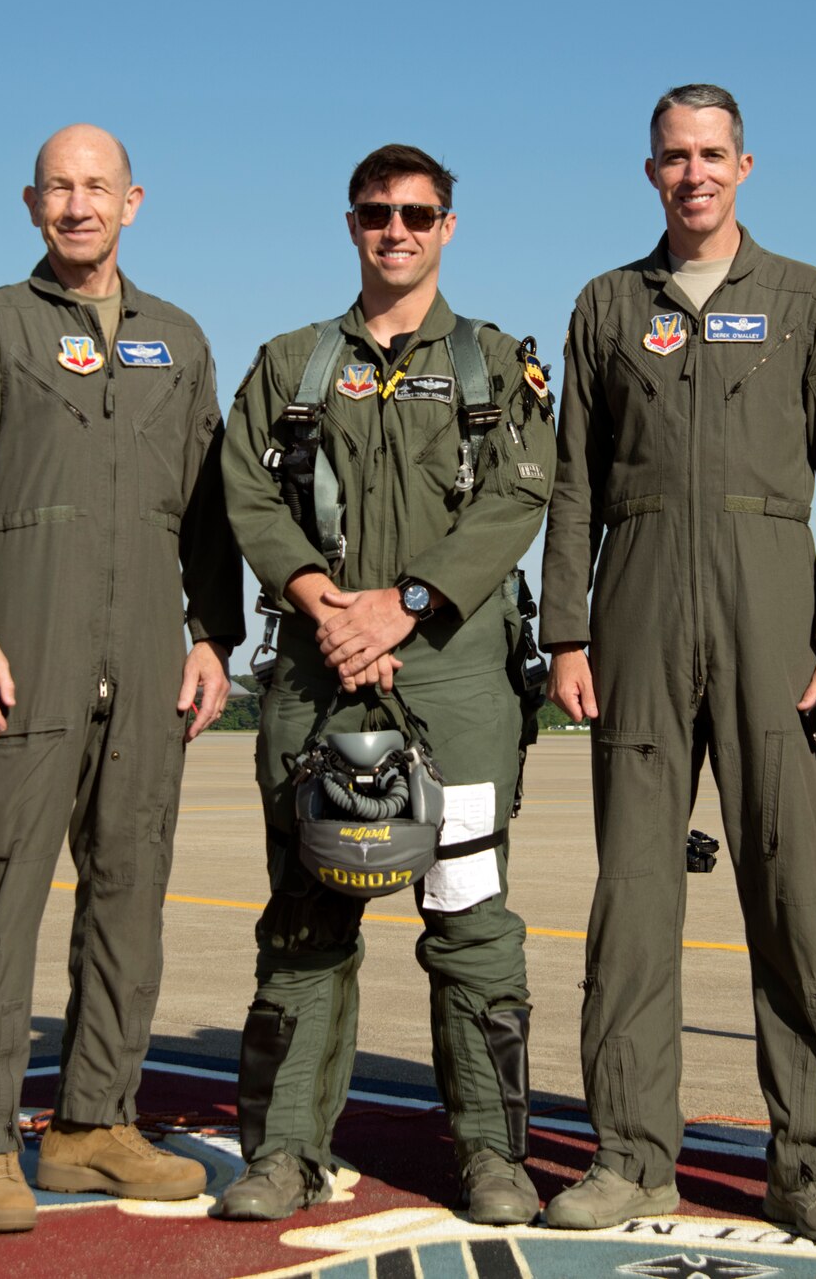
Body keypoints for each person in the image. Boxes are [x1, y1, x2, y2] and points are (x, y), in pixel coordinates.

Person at [539, 84, 816, 1241]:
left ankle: (809, 1166)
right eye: (673, 157)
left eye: (711, 155)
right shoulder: (603, 303)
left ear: (744, 165)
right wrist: (566, 630)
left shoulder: (804, 298)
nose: (693, 174)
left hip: (773, 614)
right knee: (631, 900)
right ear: (649, 173)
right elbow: (571, 482)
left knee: (787, 895)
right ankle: (630, 1156)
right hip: (632, 611)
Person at [214, 144, 555, 1226]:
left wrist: (401, 603)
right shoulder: (291, 364)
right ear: (350, 223)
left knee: (468, 920)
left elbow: (516, 500)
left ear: (446, 225)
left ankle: (493, 1156)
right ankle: (281, 1153)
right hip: (319, 672)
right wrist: (325, 601)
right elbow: (245, 494)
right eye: (375, 213)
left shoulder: (500, 365)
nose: (395, 230)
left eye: (416, 213)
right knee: (306, 918)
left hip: (451, 676)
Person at [0, 123, 243, 1234]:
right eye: (58, 187)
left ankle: (94, 1124)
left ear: (133, 201)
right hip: (26, 642)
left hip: (150, 652)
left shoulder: (179, 338)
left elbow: (207, 506)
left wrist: (214, 636)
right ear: (29, 202)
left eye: (96, 186)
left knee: (129, 893)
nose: (77, 204)